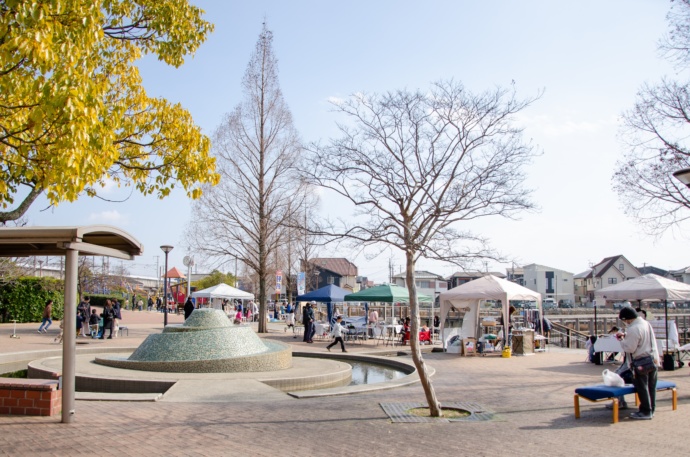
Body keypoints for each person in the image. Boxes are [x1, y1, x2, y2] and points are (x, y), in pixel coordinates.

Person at [615, 307, 660, 420]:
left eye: (624, 320)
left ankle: (645, 411)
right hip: (652, 358)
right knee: (651, 387)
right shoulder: (646, 323)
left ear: (627, 319)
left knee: (642, 386)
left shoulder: (633, 328)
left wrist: (621, 340)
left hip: (640, 361)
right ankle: (651, 409)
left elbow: (630, 348)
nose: (625, 323)